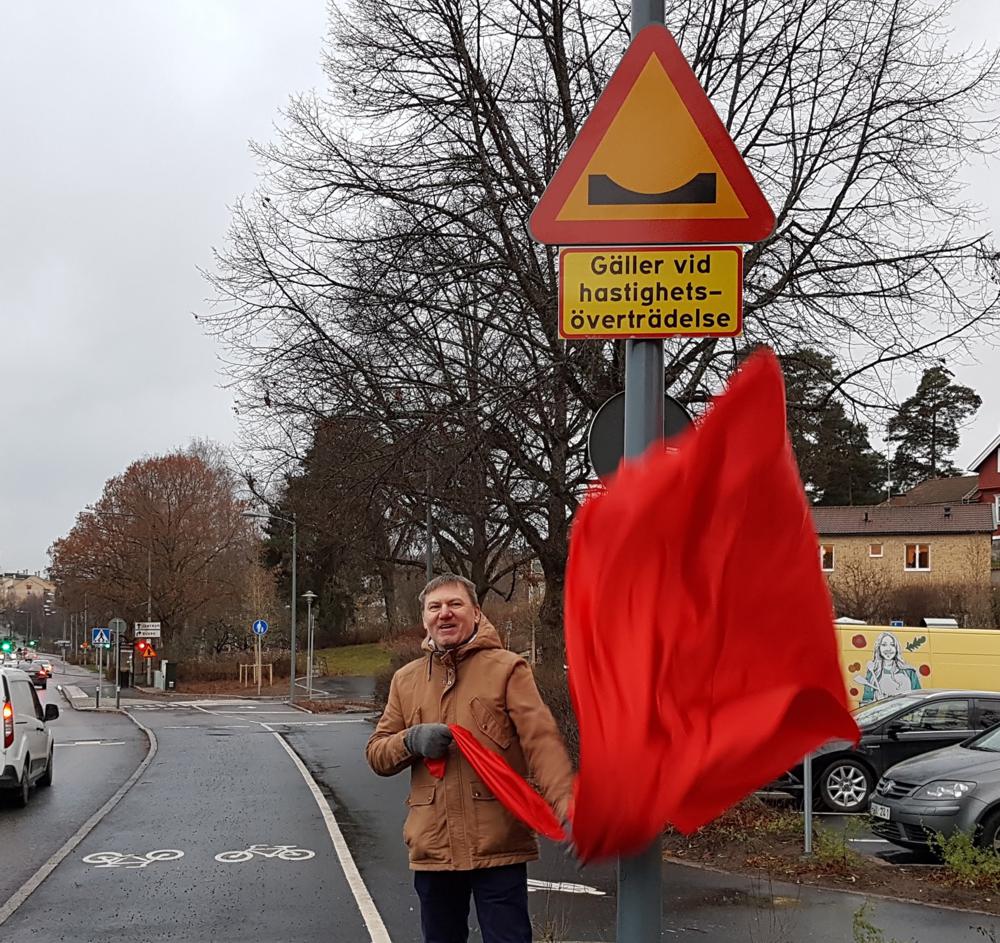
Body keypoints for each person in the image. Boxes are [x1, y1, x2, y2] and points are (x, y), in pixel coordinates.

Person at [366, 573, 574, 943]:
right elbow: (377, 753)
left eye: (454, 604)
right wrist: (411, 740)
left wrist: (565, 804)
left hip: (499, 846)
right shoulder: (405, 680)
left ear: (476, 614)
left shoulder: (508, 669)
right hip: (434, 847)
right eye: (435, 607)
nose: (444, 614)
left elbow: (540, 740)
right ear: (426, 618)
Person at [859, 631, 921, 703]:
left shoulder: (909, 672)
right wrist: (876, 701)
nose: (888, 649)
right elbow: (865, 702)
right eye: (884, 645)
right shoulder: (873, 672)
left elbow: (919, 698)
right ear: (879, 648)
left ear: (896, 648)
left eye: (892, 645)